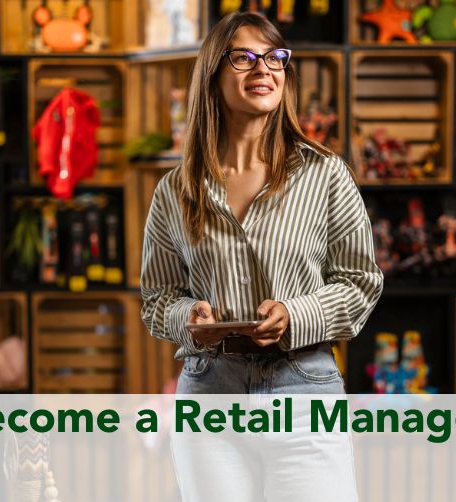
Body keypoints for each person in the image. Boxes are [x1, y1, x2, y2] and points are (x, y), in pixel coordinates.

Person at [139, 11, 382, 501]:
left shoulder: (325, 174)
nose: (263, 69)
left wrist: (296, 314)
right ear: (213, 73)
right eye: (244, 57)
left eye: (274, 58)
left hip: (304, 388)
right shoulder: (175, 190)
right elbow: (157, 298)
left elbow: (360, 283)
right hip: (209, 394)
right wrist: (190, 317)